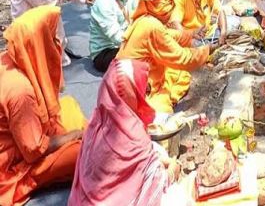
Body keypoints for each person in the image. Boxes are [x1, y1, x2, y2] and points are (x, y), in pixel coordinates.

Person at [68, 59, 190, 205]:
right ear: (132, 94)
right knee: (179, 197)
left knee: (157, 151)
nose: (144, 96)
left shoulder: (95, 123)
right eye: (141, 90)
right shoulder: (134, 139)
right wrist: (173, 169)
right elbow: (157, 185)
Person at [0, 6, 87, 206]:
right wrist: (72, 136)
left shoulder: (10, 57)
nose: (57, 44)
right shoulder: (20, 90)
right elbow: (33, 151)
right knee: (83, 151)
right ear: (38, 43)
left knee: (68, 105)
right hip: (14, 164)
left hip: (23, 133)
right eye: (52, 38)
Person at [117, 0, 217, 114]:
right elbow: (181, 58)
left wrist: (191, 35)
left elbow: (169, 35)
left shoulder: (143, 19)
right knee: (161, 110)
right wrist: (206, 50)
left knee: (179, 75)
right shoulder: (152, 26)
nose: (171, 11)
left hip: (121, 78)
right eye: (168, 5)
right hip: (133, 87)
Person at [89, 0, 138, 73]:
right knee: (138, 58)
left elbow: (138, 17)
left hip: (126, 43)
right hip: (105, 51)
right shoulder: (103, 3)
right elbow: (116, 37)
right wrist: (139, 44)